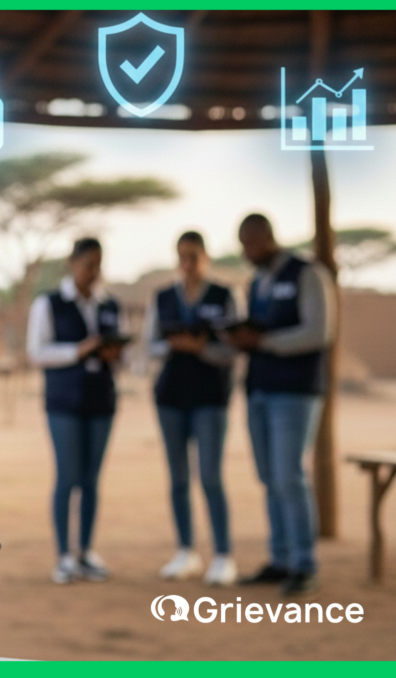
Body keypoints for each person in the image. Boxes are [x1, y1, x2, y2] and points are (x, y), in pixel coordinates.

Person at [227, 213, 336, 596]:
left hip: (295, 390)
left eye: (251, 243)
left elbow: (319, 331)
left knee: (289, 475)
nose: (247, 251)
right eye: (242, 245)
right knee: (269, 478)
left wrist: (266, 343)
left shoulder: (308, 274)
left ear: (268, 237)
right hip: (258, 388)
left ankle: (304, 563)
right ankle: (280, 559)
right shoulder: (257, 282)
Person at [27, 238, 126, 584]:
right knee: (67, 477)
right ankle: (64, 556)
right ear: (73, 263)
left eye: (99, 265)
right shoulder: (50, 303)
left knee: (91, 480)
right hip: (64, 401)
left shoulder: (109, 303)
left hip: (102, 401)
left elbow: (121, 351)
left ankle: (86, 551)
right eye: (88, 265)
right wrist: (79, 351)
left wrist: (115, 354)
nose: (94, 272)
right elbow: (37, 353)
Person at [144, 231, 238, 585]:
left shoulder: (224, 295)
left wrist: (201, 349)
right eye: (182, 256)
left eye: (194, 256)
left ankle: (223, 555)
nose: (188, 264)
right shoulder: (164, 296)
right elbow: (149, 345)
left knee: (211, 477)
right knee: (178, 478)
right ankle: (186, 551)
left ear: (206, 257)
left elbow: (233, 347)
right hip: (170, 396)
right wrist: (174, 346)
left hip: (211, 397)